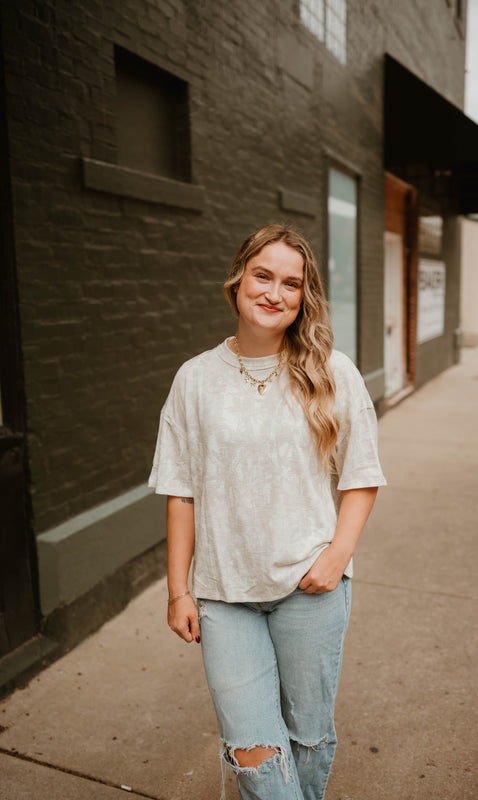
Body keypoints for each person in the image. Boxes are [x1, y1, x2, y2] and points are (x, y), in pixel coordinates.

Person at [148, 224, 386, 800]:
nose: (274, 293)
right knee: (254, 752)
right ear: (238, 280)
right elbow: (180, 491)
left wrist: (338, 556)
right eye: (263, 276)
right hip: (225, 595)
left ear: (305, 297)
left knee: (306, 736)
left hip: (309, 588)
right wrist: (179, 591)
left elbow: (362, 475)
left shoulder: (332, 370)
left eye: (291, 283)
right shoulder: (195, 378)